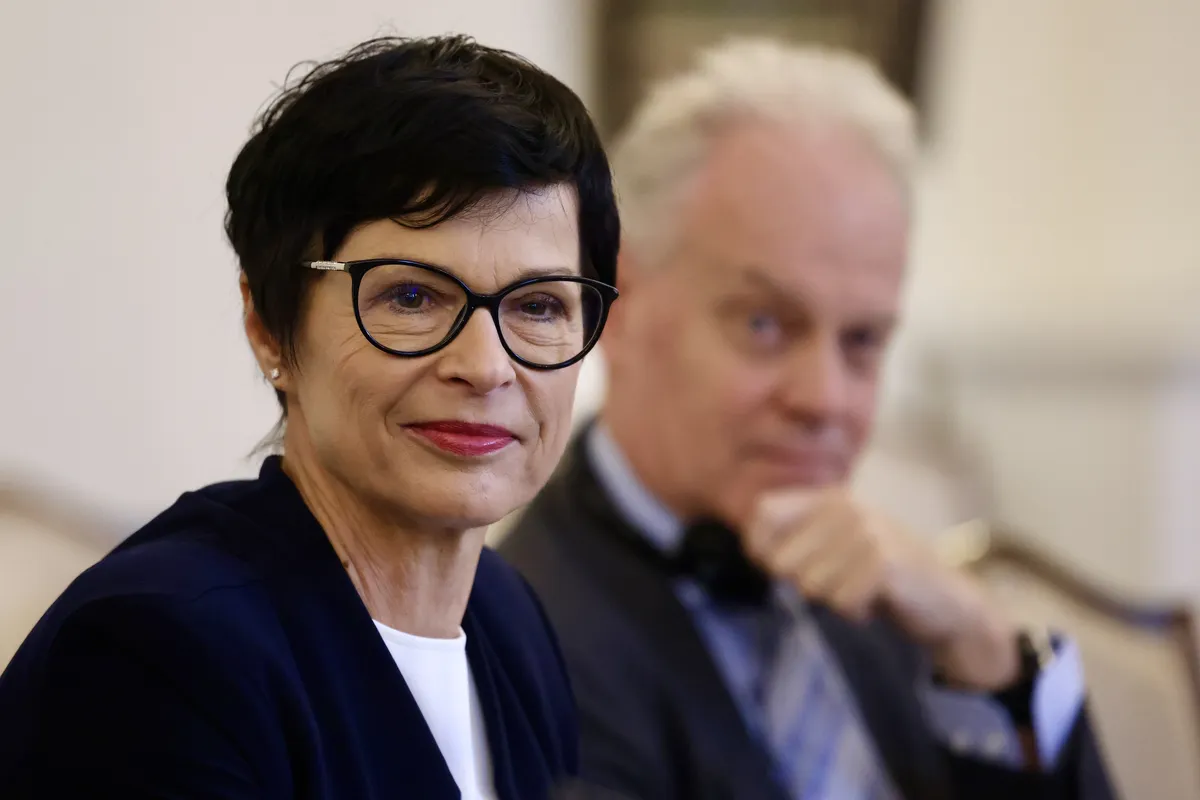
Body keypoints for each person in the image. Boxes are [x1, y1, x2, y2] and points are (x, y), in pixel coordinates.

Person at [0, 35, 619, 799]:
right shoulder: (156, 655)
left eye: (539, 306)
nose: (486, 366)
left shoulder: (509, 618)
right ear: (269, 327)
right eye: (412, 297)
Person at [501, 39, 1115, 800]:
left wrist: (982, 645)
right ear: (617, 307)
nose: (825, 398)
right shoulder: (521, 648)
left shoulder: (892, 601)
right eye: (764, 323)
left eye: (862, 341)